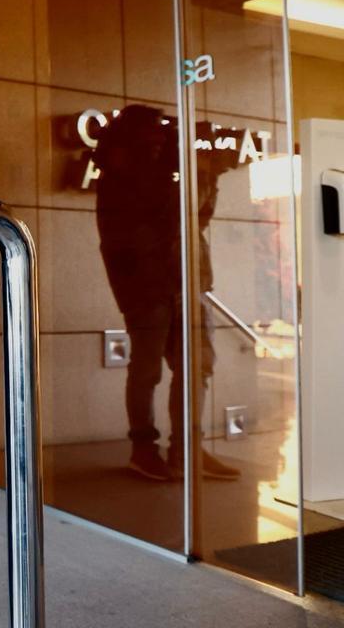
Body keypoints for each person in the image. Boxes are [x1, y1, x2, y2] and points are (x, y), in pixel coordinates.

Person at [92, 104, 240, 482]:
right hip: (147, 286)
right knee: (147, 370)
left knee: (197, 367)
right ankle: (144, 449)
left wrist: (206, 173)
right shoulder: (120, 175)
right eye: (154, 134)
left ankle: (186, 449)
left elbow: (198, 217)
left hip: (187, 281)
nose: (160, 140)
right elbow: (162, 219)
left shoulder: (165, 171)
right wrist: (191, 165)